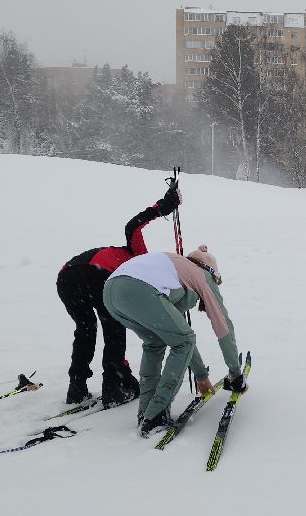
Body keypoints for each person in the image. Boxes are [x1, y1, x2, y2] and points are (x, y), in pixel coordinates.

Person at [55, 182, 181, 407]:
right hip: (97, 274)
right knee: (114, 328)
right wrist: (162, 207)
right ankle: (114, 387)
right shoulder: (141, 258)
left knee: (86, 330)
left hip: (67, 276)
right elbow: (133, 226)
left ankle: (77, 387)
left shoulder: (143, 279)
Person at [102, 244, 247, 437]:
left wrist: (201, 375)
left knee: (155, 344)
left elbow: (180, 336)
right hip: (140, 289)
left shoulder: (176, 269)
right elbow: (223, 325)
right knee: (184, 341)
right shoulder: (202, 275)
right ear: (211, 271)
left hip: (111, 291)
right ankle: (156, 415)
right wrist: (235, 374)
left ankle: (146, 412)